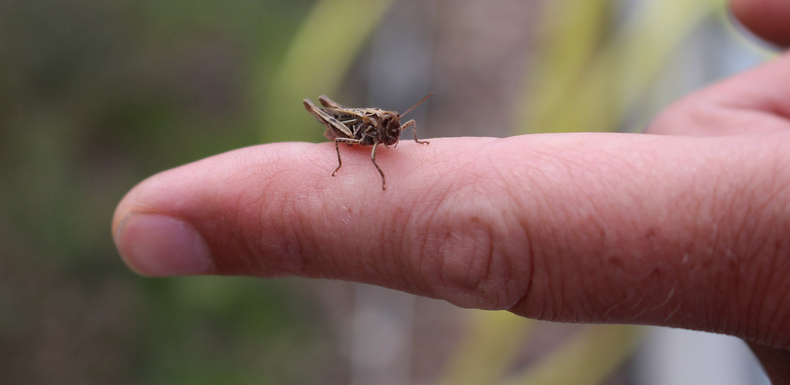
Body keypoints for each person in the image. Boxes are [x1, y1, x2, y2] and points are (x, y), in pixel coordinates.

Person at [112, 0, 790, 382]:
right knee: (340, 125)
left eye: (399, 130)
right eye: (395, 130)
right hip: (333, 127)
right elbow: (367, 145)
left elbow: (398, 138)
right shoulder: (365, 133)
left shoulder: (398, 130)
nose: (398, 135)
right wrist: (355, 145)